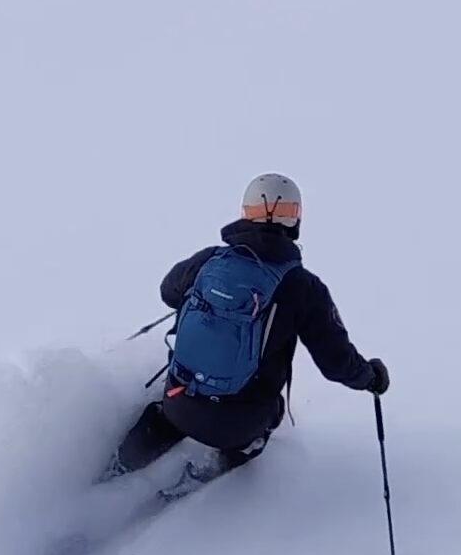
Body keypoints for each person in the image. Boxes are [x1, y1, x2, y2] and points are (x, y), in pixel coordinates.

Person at [111, 173, 389, 477]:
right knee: (273, 411)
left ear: (246, 212)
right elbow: (336, 363)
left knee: (174, 406)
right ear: (295, 220)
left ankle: (117, 468)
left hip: (178, 404)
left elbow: (168, 291)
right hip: (239, 423)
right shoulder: (303, 288)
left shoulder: (209, 261)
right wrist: (371, 377)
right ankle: (212, 470)